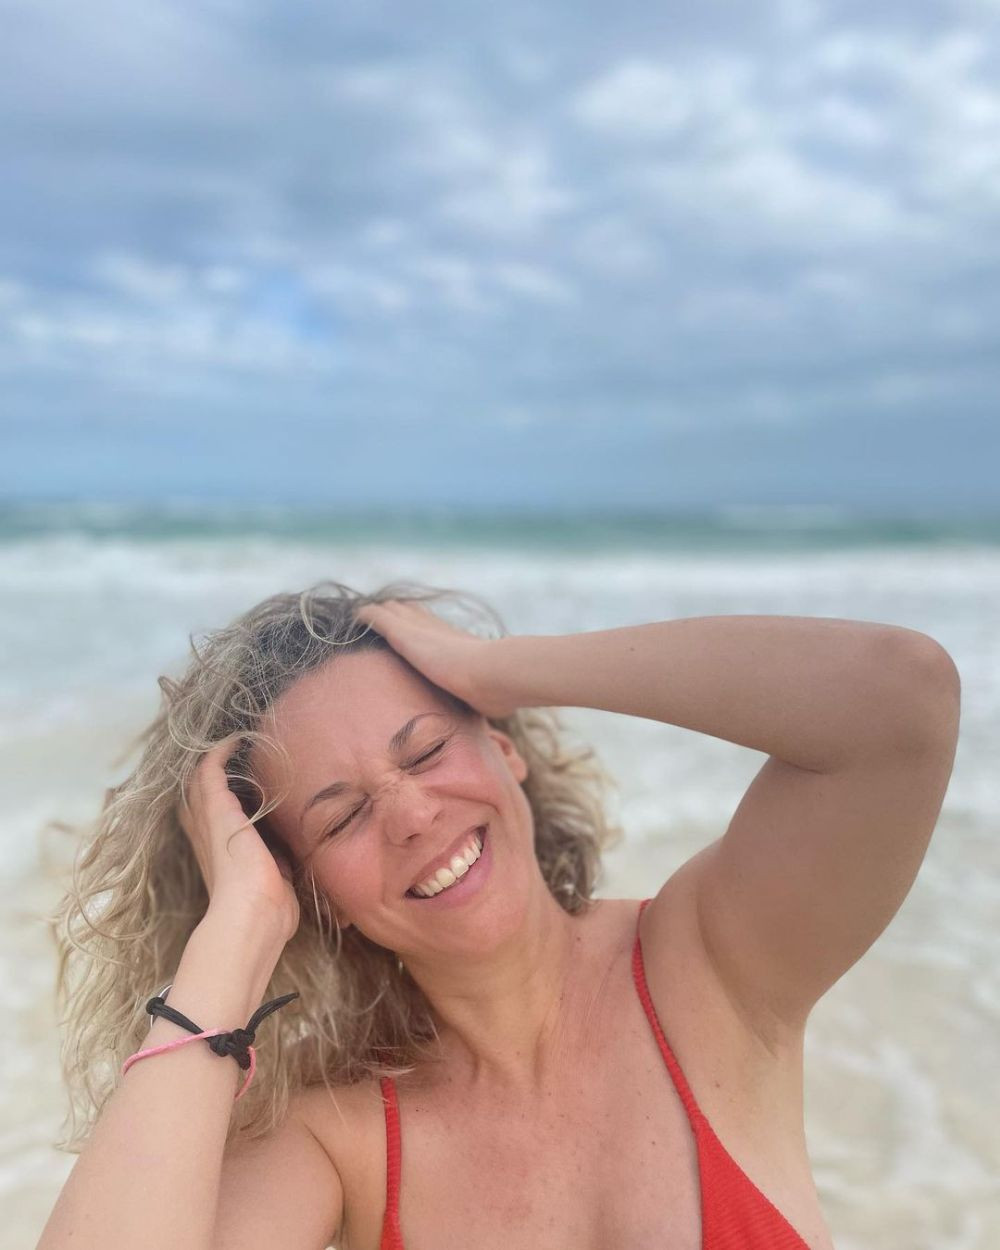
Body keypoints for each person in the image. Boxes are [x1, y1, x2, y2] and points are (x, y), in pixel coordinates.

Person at [36, 579, 960, 1250]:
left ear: (505, 747)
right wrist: (234, 930)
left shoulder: (708, 964)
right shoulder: (336, 1140)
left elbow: (898, 699)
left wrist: (496, 668)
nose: (411, 814)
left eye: (428, 750)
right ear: (312, 894)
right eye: (342, 818)